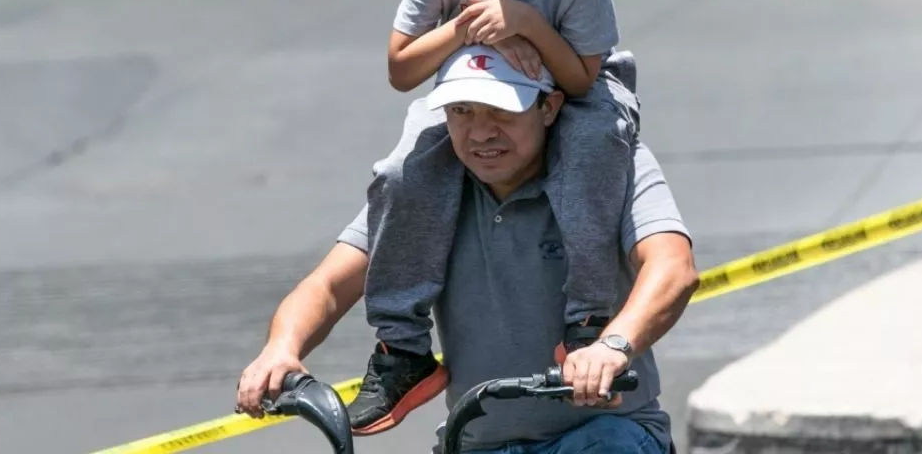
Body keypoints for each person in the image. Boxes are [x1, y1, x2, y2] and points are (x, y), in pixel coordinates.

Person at [349, 0, 645, 435]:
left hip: (575, 90)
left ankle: (589, 321)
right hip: (473, 84)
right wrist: (462, 30)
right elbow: (402, 71)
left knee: (596, 149)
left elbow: (584, 76)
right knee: (403, 171)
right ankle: (401, 347)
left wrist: (528, 22)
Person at [235, 44, 700, 453]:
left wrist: (612, 347)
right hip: (475, 441)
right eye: (462, 111)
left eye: (502, 112)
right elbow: (330, 285)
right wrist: (281, 348)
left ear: (549, 107)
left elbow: (673, 267)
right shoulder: (427, 187)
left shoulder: (605, 163)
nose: (480, 133)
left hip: (605, 434)